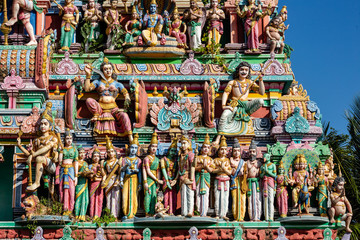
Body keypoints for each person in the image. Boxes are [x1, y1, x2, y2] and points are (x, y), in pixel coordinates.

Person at [84, 58, 133, 142]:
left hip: (113, 108)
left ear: (112, 70)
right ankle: (96, 114)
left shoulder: (117, 84)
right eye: (105, 69)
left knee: (124, 115)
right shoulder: (98, 82)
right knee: (89, 100)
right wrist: (88, 75)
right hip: (100, 108)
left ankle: (130, 136)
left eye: (109, 69)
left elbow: (125, 92)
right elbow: (87, 89)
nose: (108, 71)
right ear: (102, 71)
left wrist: (127, 98)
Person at [17, 102, 58, 192]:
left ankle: (37, 183)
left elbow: (46, 148)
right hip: (40, 165)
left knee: (39, 158)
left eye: (45, 124)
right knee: (38, 158)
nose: (43, 126)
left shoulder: (53, 138)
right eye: (41, 124)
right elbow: (29, 154)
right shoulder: (36, 140)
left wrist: (33, 155)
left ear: (50, 126)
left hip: (51, 164)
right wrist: (20, 146)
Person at [217, 61, 264, 138]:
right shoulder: (233, 82)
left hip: (246, 105)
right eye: (242, 69)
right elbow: (226, 93)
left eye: (246, 70)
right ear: (238, 71)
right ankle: (218, 138)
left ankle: (247, 114)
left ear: (248, 72)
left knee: (260, 101)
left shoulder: (250, 82)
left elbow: (261, 92)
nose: (244, 72)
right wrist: (223, 105)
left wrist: (261, 80)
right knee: (224, 115)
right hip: (234, 104)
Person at [56, 129, 78, 215]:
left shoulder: (74, 149)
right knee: (62, 190)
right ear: (64, 139)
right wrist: (60, 151)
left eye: (70, 138)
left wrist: (76, 176)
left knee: (71, 191)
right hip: (62, 170)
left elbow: (76, 162)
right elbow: (60, 161)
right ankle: (64, 209)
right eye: (67, 138)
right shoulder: (62, 148)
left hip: (71, 171)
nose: (69, 140)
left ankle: (70, 210)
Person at [120, 133, 142, 219]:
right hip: (126, 179)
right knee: (125, 196)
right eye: (132, 147)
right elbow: (122, 171)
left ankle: (133, 213)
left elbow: (139, 172)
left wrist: (140, 183)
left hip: (134, 180)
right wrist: (121, 180)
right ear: (129, 148)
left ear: (137, 149)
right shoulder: (124, 159)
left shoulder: (138, 160)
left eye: (135, 148)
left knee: (134, 196)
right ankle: (126, 213)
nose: (133, 150)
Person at [143, 132, 165, 216]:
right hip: (149, 179)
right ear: (149, 148)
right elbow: (147, 171)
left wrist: (158, 184)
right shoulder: (146, 158)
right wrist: (146, 182)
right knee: (147, 196)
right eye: (152, 146)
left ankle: (153, 213)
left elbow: (158, 171)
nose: (154, 148)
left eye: (155, 147)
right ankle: (147, 212)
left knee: (154, 197)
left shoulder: (157, 159)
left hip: (155, 181)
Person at [212, 136, 232, 220]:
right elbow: (212, 170)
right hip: (218, 179)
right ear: (219, 150)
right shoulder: (216, 160)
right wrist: (220, 169)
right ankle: (217, 213)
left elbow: (230, 172)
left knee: (225, 197)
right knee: (217, 197)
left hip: (226, 180)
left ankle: (224, 213)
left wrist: (224, 169)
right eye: (222, 149)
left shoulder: (227, 160)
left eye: (225, 149)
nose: (223, 151)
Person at [194, 134, 214, 217]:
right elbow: (194, 167)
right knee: (198, 194)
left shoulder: (210, 159)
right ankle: (198, 211)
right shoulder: (198, 157)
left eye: (208, 147)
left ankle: (204, 212)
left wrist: (206, 167)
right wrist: (202, 165)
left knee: (206, 195)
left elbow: (212, 170)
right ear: (201, 148)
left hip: (206, 176)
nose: (206, 149)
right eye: (204, 147)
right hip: (199, 176)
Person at [102, 136, 121, 219]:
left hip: (115, 179)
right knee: (108, 198)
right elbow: (105, 174)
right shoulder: (105, 163)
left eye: (112, 151)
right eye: (108, 152)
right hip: (108, 181)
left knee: (115, 198)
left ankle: (115, 215)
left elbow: (120, 172)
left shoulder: (118, 161)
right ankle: (109, 215)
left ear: (114, 152)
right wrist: (104, 180)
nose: (110, 153)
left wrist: (118, 180)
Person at [178, 136, 195, 217]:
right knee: (183, 195)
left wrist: (191, 179)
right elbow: (179, 168)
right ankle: (183, 212)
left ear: (189, 145)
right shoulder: (181, 156)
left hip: (188, 176)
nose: (183, 145)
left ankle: (189, 211)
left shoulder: (191, 155)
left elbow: (192, 166)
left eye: (184, 143)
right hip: (182, 177)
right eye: (182, 143)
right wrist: (175, 179)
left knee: (189, 194)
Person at [160, 137, 178, 215]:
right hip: (166, 179)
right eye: (171, 150)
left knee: (173, 197)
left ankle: (172, 211)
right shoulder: (163, 160)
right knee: (166, 196)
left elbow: (178, 171)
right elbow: (163, 170)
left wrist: (175, 180)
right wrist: (167, 181)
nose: (173, 153)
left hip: (173, 181)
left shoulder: (176, 161)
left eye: (174, 151)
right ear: (168, 151)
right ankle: (166, 211)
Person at [230, 139, 247, 221]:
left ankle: (241, 217)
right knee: (234, 199)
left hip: (241, 181)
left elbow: (245, 172)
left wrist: (243, 172)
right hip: (234, 182)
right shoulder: (230, 160)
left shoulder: (243, 162)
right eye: (235, 151)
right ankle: (235, 216)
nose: (236, 153)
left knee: (242, 199)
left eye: (238, 151)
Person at [246, 140, 262, 221]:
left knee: (258, 199)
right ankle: (251, 217)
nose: (252, 153)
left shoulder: (259, 163)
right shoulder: (247, 163)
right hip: (249, 183)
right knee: (250, 200)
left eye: (253, 151)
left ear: (256, 153)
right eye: (250, 151)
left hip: (257, 183)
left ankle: (258, 216)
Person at [88, 148, 106, 219]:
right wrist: (93, 176)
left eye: (97, 156)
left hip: (99, 184)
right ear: (92, 157)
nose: (96, 158)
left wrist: (102, 180)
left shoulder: (101, 166)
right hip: (92, 184)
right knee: (92, 199)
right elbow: (89, 175)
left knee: (99, 199)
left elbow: (104, 175)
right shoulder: (90, 166)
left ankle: (97, 215)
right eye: (94, 156)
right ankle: (92, 215)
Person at [74, 146, 90, 221]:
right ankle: (77, 215)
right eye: (80, 153)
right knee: (78, 198)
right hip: (79, 182)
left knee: (85, 199)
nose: (82, 155)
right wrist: (81, 173)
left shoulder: (85, 163)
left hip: (85, 183)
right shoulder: (76, 162)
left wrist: (89, 173)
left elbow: (87, 171)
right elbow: (74, 172)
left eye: (83, 153)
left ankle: (82, 215)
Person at [260, 153, 276, 221]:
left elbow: (275, 175)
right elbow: (260, 176)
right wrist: (264, 172)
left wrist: (267, 172)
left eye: (265, 157)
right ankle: (266, 217)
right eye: (264, 157)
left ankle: (271, 217)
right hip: (264, 183)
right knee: (265, 200)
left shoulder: (272, 165)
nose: (264, 158)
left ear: (268, 157)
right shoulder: (262, 166)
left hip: (270, 182)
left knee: (271, 200)